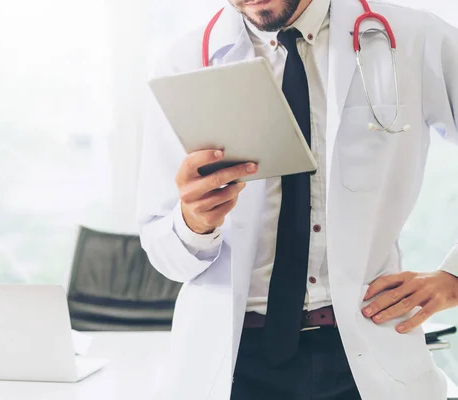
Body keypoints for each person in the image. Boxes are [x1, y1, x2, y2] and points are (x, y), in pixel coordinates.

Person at [136, 0, 458, 399]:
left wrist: (455, 277)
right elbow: (163, 252)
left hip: (365, 347)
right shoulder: (183, 65)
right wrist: (194, 223)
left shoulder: (412, 38)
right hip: (233, 363)